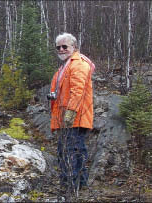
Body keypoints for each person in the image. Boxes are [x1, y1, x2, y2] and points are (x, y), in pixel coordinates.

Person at [49, 33, 95, 191]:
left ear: (74, 47)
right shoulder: (66, 66)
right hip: (68, 118)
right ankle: (79, 187)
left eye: (64, 46)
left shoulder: (78, 64)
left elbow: (78, 92)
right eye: (58, 47)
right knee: (73, 151)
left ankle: (69, 188)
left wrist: (70, 113)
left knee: (70, 153)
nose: (61, 49)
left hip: (75, 118)